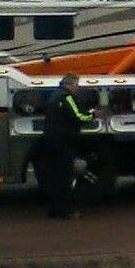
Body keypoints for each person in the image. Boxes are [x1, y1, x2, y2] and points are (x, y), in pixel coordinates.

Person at [40, 73, 100, 219]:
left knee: (56, 176)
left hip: (52, 139)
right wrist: (93, 116)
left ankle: (54, 209)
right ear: (70, 84)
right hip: (64, 141)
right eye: (76, 84)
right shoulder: (67, 97)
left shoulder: (55, 95)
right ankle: (65, 211)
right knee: (66, 177)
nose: (77, 88)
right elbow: (78, 116)